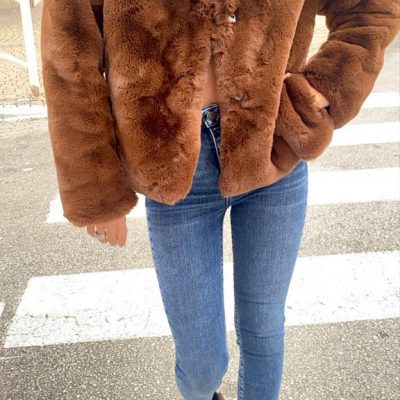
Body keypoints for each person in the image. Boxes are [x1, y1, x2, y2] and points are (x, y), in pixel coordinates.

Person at [40, 1, 399, 399]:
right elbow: (69, 54)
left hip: (271, 150)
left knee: (264, 328)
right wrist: (96, 187)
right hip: (171, 166)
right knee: (201, 363)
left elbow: (372, 9)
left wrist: (330, 82)